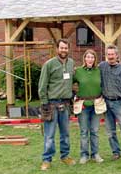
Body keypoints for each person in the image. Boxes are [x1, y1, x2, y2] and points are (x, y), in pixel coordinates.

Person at [38, 39, 75, 171]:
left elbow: (73, 79)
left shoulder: (71, 63)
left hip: (65, 104)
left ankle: (65, 156)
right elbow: (42, 86)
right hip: (52, 105)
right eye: (61, 48)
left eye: (66, 48)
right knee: (49, 134)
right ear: (57, 49)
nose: (64, 50)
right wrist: (45, 104)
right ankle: (47, 159)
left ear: (68, 49)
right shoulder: (49, 64)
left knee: (65, 133)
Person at [99, 44, 121, 164]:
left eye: (112, 54)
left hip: (120, 103)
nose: (110, 56)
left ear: (117, 55)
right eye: (108, 54)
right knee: (110, 131)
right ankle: (116, 152)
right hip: (106, 103)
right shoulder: (102, 67)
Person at [73, 49, 104, 164]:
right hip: (83, 106)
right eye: (88, 57)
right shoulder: (78, 71)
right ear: (84, 58)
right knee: (84, 131)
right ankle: (84, 155)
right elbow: (69, 82)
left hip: (96, 105)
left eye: (92, 57)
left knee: (95, 131)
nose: (90, 59)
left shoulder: (99, 71)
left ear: (95, 59)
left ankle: (95, 154)